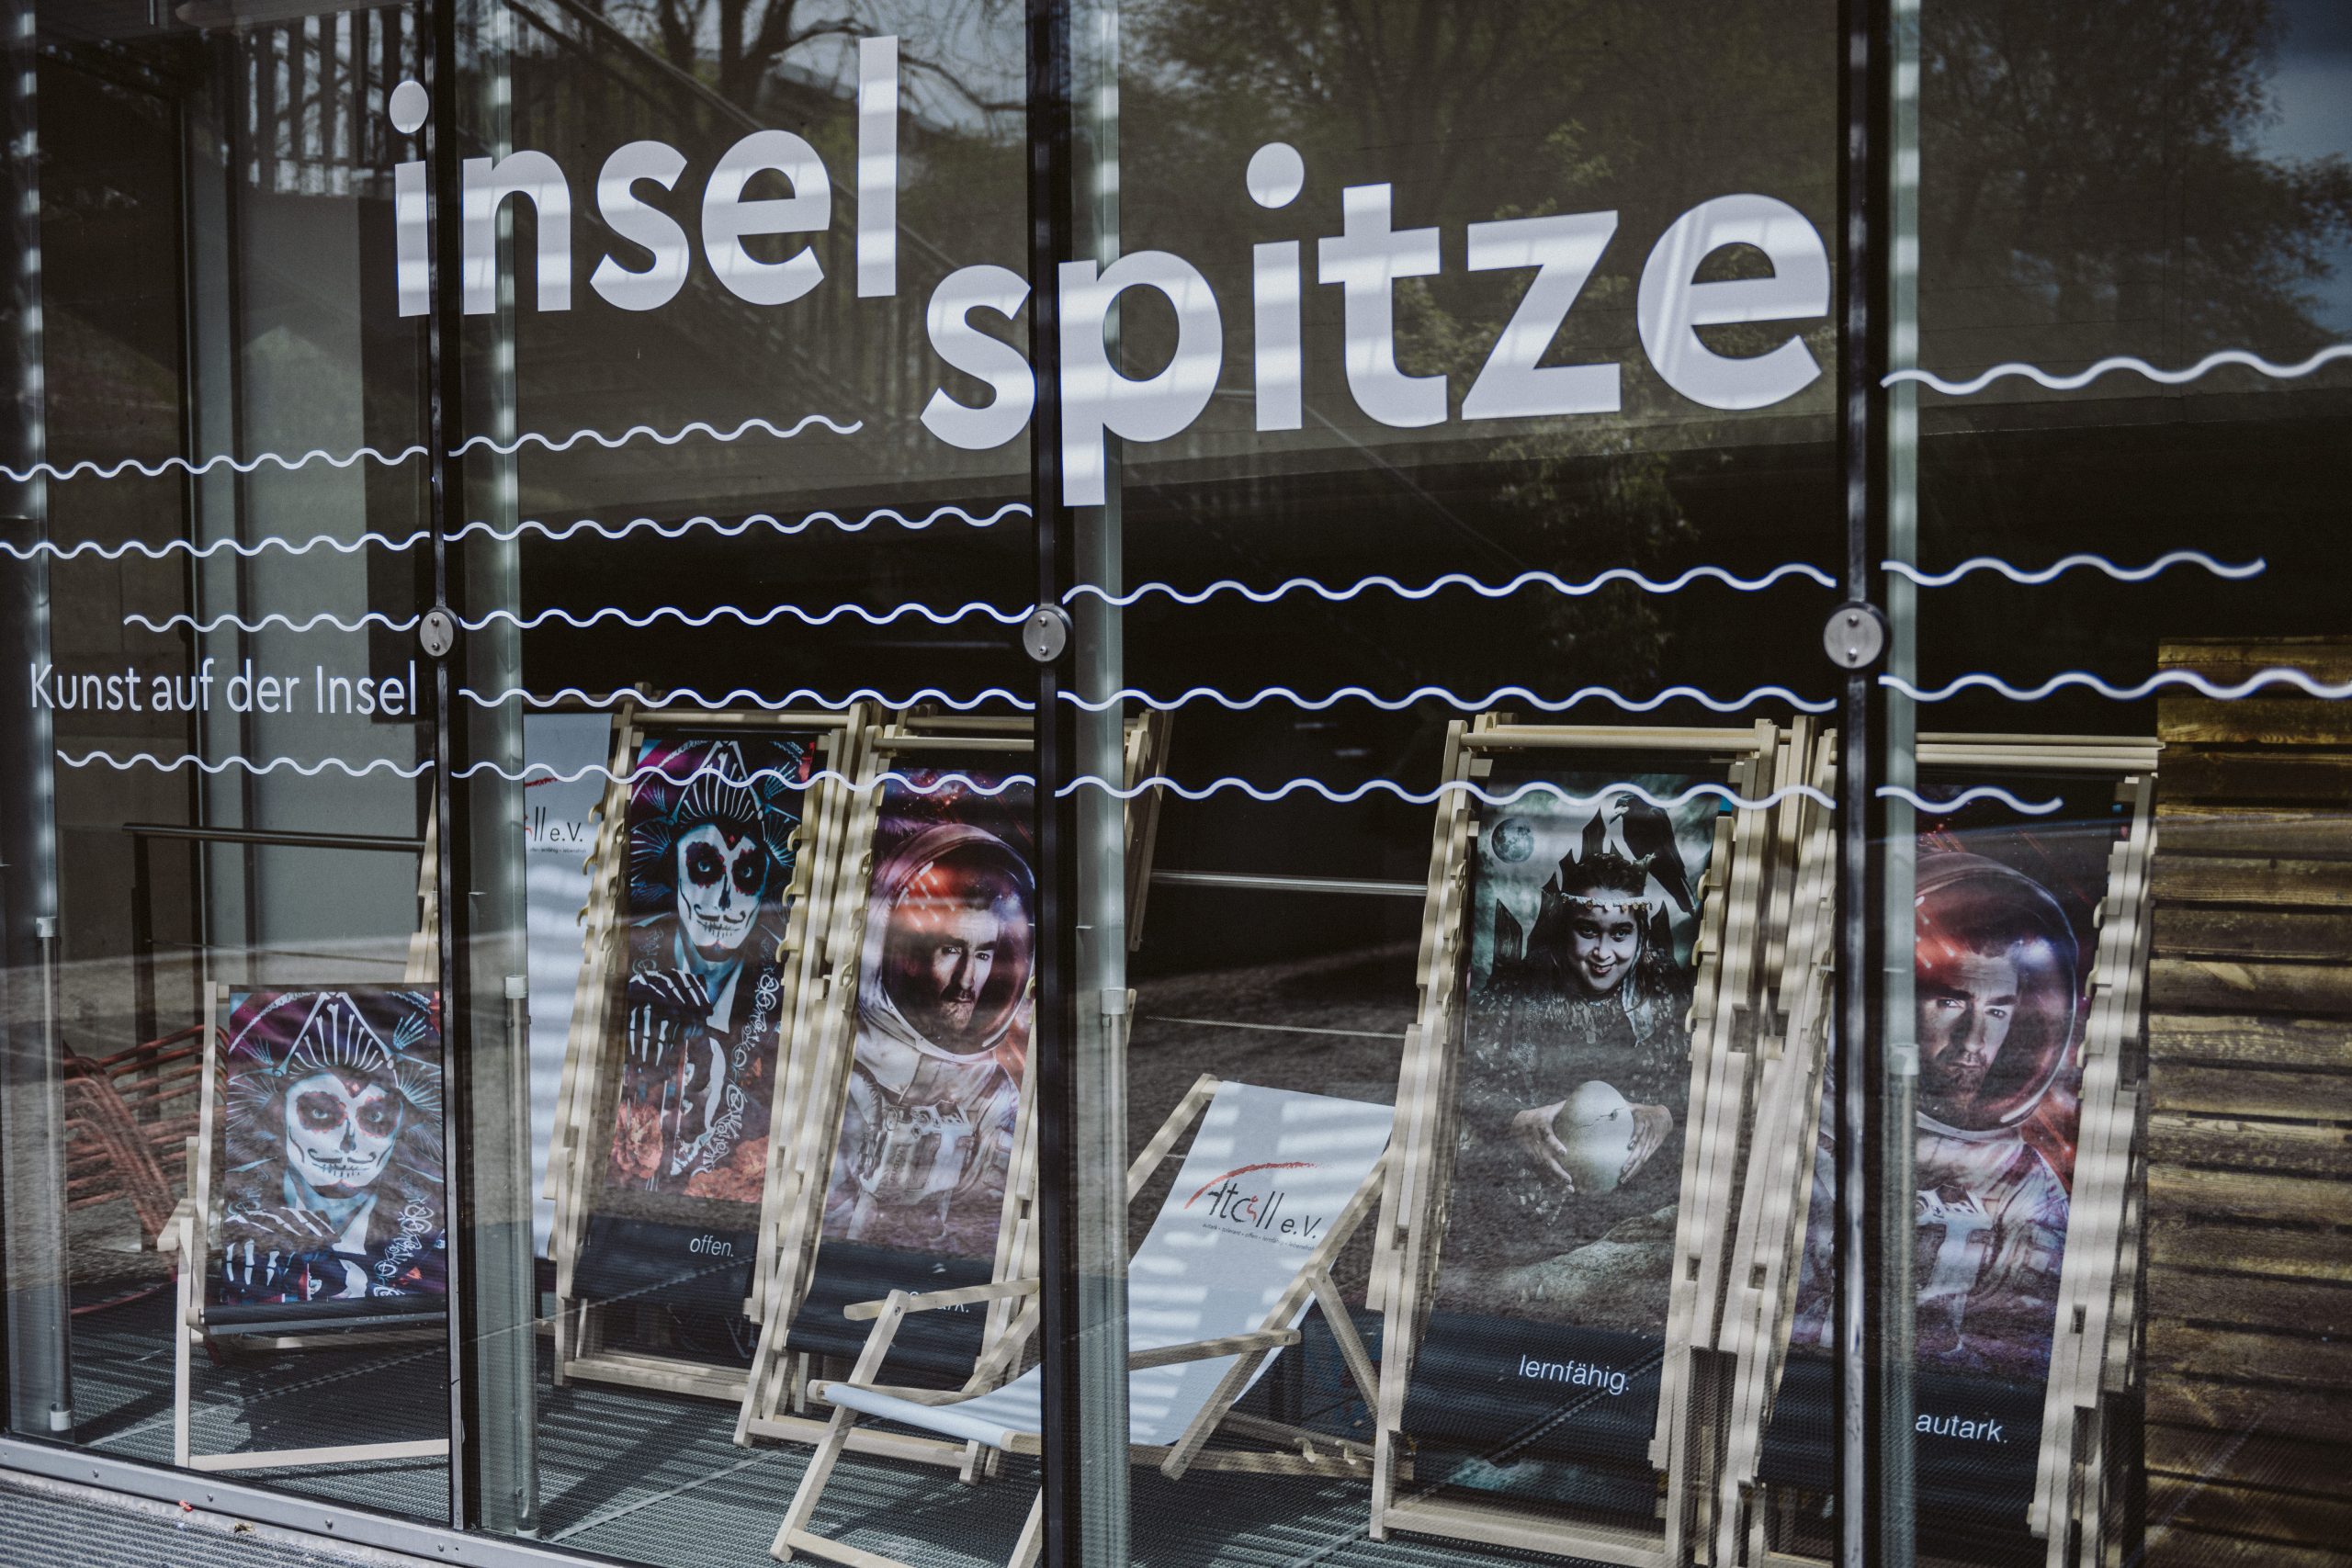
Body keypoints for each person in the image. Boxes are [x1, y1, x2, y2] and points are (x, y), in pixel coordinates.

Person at [1791, 851, 2077, 1381]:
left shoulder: (2025, 1186)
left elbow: (2026, 1361)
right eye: (1950, 1002)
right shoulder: (1799, 1136)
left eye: (1998, 1010)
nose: (1974, 1040)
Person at [1447, 823, 1693, 1323]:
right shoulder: (1519, 986)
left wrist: (1668, 1112)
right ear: (1566, 929)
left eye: (1620, 934)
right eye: (1589, 931)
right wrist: (1514, 1118)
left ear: (1639, 933)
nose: (1603, 954)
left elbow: (1702, 1083)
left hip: (1635, 1192)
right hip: (1534, 1191)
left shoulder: (1663, 989)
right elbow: (1466, 1079)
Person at [826, 818, 1035, 1255]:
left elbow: (985, 1237)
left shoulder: (993, 1098)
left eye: (983, 955)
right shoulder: (837, 1064)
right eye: (951, 950)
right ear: (904, 955)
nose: (967, 981)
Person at [610, 739, 801, 1202]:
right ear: (673, 869)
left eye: (747, 873)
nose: (723, 902)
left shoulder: (785, 982)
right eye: (704, 867)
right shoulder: (630, 958)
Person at [215, 989, 446, 1306]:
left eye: (375, 1117)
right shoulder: (240, 1209)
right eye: (321, 1113)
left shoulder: (437, 1216)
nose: (348, 1143)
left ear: (402, 1123)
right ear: (277, 1114)